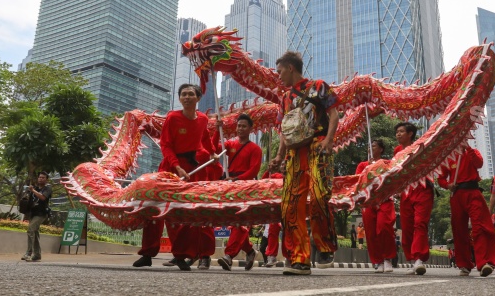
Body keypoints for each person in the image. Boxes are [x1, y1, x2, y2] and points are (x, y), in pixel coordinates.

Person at [269, 51, 340, 276]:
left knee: (319, 196)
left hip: (318, 146)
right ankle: (300, 259)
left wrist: (329, 140)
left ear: (290, 68)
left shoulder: (318, 86)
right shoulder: (284, 98)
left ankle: (325, 246)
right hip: (293, 154)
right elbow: (284, 130)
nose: (278, 76)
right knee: (291, 205)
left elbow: (335, 113)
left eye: (280, 71)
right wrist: (279, 155)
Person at [133, 84, 217, 271]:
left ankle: (181, 255)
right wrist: (176, 166)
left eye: (190, 94)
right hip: (170, 167)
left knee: (186, 211)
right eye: (183, 94)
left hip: (191, 169)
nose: (186, 97)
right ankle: (147, 253)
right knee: (155, 207)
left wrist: (212, 153)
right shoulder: (172, 117)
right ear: (179, 98)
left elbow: (205, 138)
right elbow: (166, 144)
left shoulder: (203, 119)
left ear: (198, 98)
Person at [438, 146, 495, 277]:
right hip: (456, 195)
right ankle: (464, 264)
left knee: (480, 227)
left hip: (473, 193)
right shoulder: (448, 157)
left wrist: (467, 148)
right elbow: (441, 178)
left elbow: (479, 163)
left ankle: (484, 263)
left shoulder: (473, 151)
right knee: (459, 230)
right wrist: (447, 185)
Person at [213, 114, 262, 271]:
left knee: (240, 222)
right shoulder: (230, 144)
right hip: (230, 185)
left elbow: (254, 169)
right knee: (234, 221)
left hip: (246, 186)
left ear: (250, 129)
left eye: (244, 126)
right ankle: (249, 250)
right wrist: (216, 130)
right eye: (238, 125)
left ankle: (228, 256)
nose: (240, 128)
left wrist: (238, 179)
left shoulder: (255, 149)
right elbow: (215, 149)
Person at [394, 122, 434, 276]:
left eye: (401, 131)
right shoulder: (397, 151)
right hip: (406, 192)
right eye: (397, 132)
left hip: (422, 188)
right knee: (407, 226)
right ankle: (412, 260)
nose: (398, 134)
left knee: (419, 223)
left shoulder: (421, 146)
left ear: (410, 134)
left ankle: (419, 259)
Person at [358, 139, 396, 273]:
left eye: (373, 146)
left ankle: (387, 258)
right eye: (369, 146)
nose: (370, 149)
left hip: (384, 199)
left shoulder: (386, 163)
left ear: (381, 149)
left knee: (384, 227)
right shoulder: (363, 165)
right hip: (368, 202)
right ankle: (377, 260)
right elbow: (357, 182)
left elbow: (392, 180)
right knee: (370, 232)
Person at [22, 171, 52, 262]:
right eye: (40, 177)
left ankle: (29, 253)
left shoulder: (48, 188)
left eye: (43, 177)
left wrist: (33, 191)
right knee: (35, 232)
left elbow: (43, 198)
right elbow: (28, 199)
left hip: (41, 214)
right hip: (33, 213)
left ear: (46, 179)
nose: (41, 179)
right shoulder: (34, 188)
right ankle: (37, 255)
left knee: (30, 229)